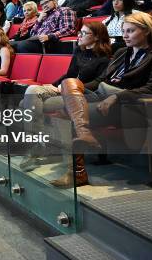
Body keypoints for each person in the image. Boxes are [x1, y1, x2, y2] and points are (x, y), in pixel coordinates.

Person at [52, 13, 152, 187]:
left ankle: (76, 173)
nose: (124, 35)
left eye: (130, 31)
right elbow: (105, 79)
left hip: (126, 105)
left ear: (146, 31)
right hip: (102, 93)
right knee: (69, 83)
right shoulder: (122, 52)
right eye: (124, 31)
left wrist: (116, 96)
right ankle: (84, 135)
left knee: (75, 114)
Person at [20, 22, 112, 172]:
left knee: (26, 103)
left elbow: (97, 83)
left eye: (84, 33)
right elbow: (69, 74)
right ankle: (38, 145)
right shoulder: (79, 52)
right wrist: (53, 85)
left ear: (96, 37)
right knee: (32, 90)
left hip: (82, 95)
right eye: (80, 32)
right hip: (65, 89)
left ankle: (37, 146)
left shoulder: (105, 59)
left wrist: (68, 88)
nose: (79, 36)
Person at [12, 0, 77, 54]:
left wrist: (50, 36)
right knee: (8, 45)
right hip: (35, 40)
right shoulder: (44, 15)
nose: (44, 6)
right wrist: (39, 20)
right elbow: (32, 33)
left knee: (21, 45)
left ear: (54, 1)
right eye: (42, 4)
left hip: (47, 43)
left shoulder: (64, 10)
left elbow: (69, 29)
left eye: (46, 2)